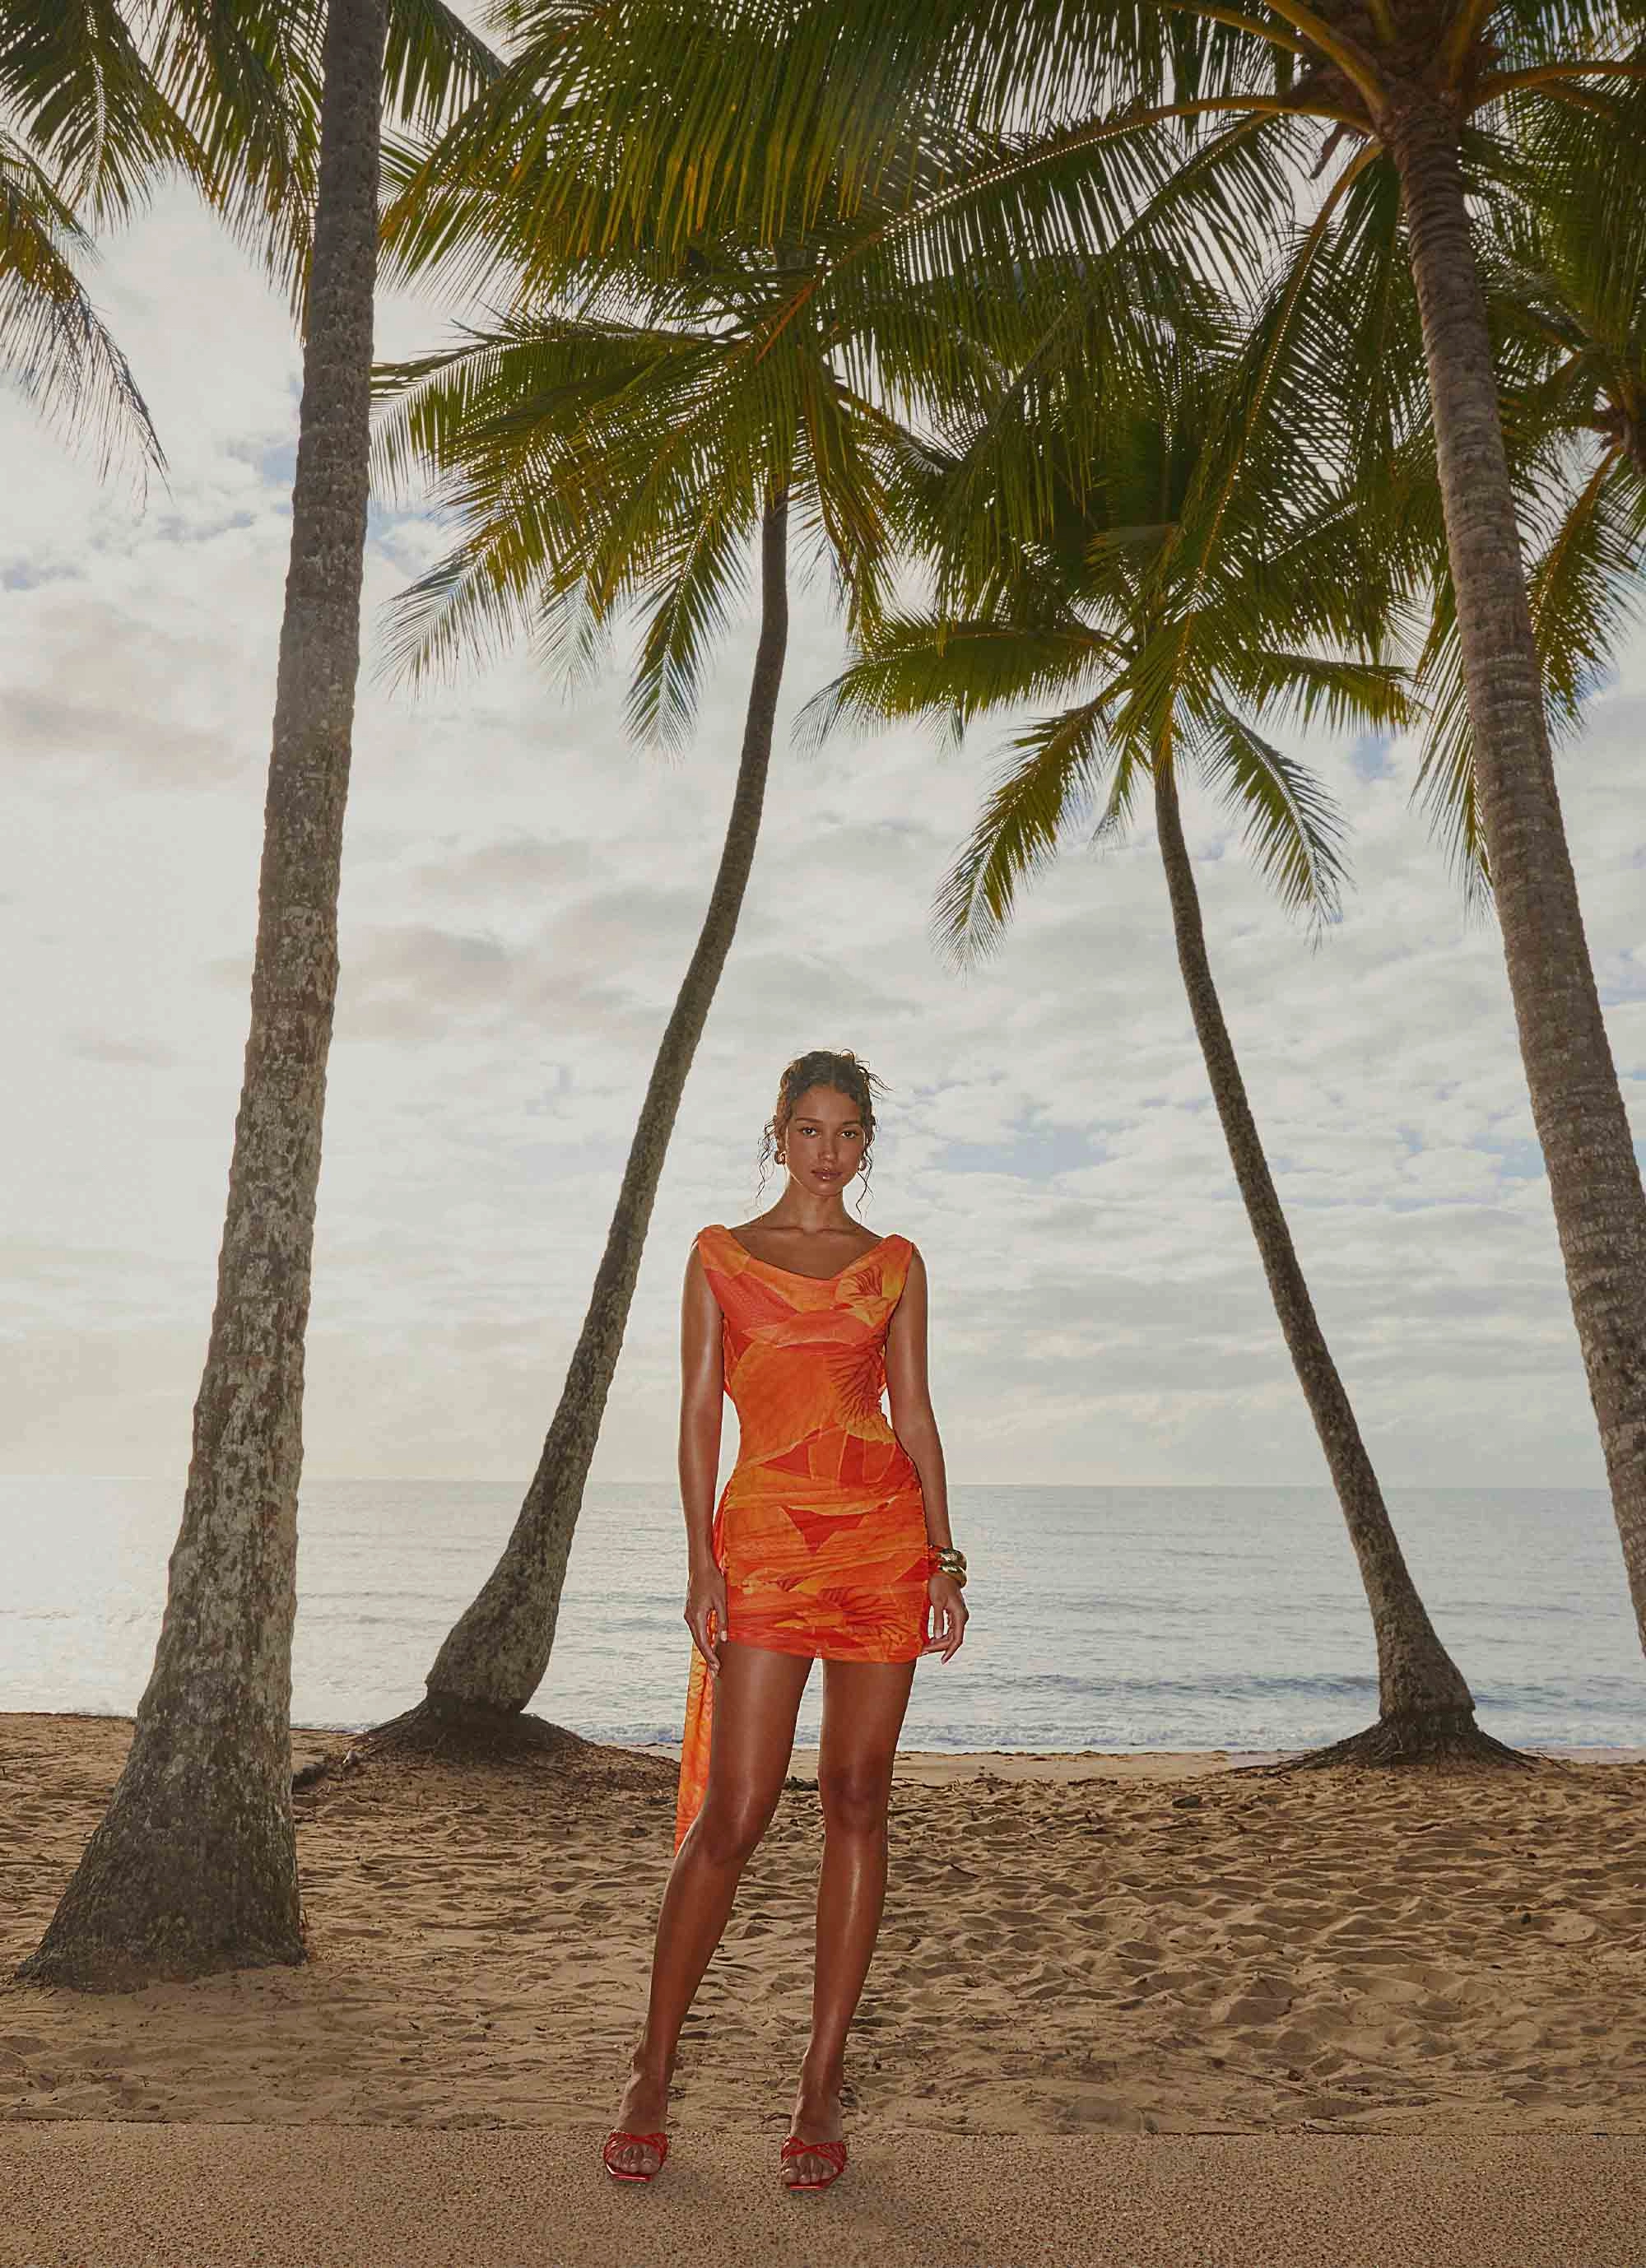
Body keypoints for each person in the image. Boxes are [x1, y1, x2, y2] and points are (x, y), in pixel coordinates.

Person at [602, 1047, 968, 2193]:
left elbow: (912, 1411)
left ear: (866, 1144)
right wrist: (701, 1561)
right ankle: (650, 2072)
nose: (828, 1150)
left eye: (848, 1131)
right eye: (809, 1129)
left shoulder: (896, 1264)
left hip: (880, 1543)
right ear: (777, 1135)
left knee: (861, 1797)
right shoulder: (721, 1256)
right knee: (739, 1809)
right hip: (764, 1542)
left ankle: (819, 2084)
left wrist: (944, 1557)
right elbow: (699, 1413)